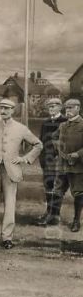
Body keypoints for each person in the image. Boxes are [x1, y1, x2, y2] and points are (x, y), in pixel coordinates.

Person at [0, 99, 42, 250]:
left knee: (10, 205)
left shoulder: (21, 128)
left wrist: (24, 159)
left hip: (12, 171)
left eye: (7, 109)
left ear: (13, 111)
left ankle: (7, 238)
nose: (4, 111)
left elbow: (38, 144)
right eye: (1, 108)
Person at [37, 98, 67, 226]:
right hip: (47, 162)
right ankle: (49, 212)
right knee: (48, 187)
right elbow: (41, 142)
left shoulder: (65, 122)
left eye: (54, 106)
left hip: (60, 161)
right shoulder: (45, 123)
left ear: (60, 108)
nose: (51, 109)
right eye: (49, 107)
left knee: (58, 187)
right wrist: (42, 158)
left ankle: (55, 215)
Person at [56, 99, 83, 232]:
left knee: (78, 194)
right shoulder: (63, 126)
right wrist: (58, 150)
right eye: (66, 108)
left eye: (71, 108)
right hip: (62, 166)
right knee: (58, 191)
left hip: (78, 167)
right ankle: (54, 217)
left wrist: (78, 154)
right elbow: (55, 139)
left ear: (78, 108)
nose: (68, 111)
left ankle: (76, 221)